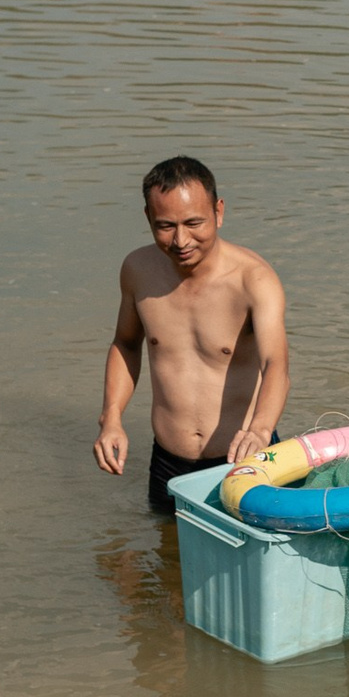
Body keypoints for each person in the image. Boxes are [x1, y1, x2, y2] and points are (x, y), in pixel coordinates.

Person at [94, 157, 290, 515]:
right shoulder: (138, 270)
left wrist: (261, 431)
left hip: (245, 456)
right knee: (166, 547)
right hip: (169, 461)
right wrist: (111, 418)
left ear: (219, 212)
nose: (181, 240)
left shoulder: (254, 280)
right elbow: (126, 343)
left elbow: (275, 363)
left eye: (193, 223)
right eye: (165, 226)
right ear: (148, 218)